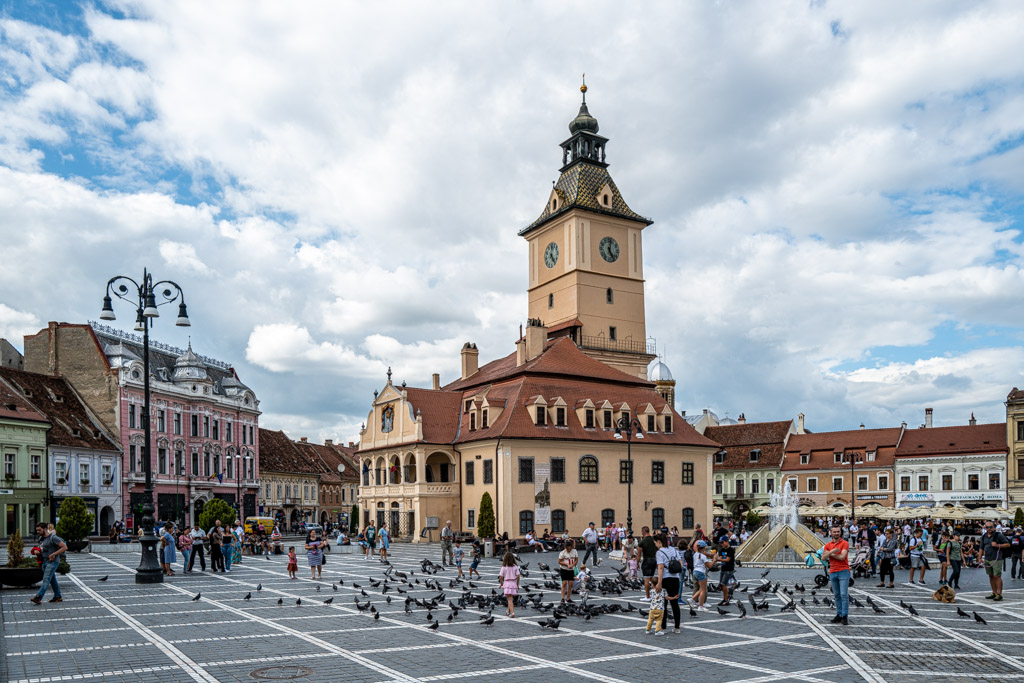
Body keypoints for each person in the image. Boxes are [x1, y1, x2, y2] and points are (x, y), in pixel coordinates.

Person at [29, 522, 66, 605]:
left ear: (45, 529)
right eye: (37, 530)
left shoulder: (53, 538)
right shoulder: (41, 539)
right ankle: (57, 596)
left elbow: (64, 547)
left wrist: (53, 554)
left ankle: (38, 597)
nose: (38, 532)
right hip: (44, 561)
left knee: (46, 579)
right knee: (52, 580)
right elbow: (42, 549)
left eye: (39, 530)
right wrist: (37, 551)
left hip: (53, 562)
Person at [821, 524, 851, 625]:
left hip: (843, 571)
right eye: (834, 531)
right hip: (833, 572)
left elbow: (842, 557)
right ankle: (839, 614)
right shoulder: (828, 545)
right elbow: (823, 558)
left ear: (840, 532)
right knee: (836, 595)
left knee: (843, 594)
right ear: (831, 532)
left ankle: (844, 615)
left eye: (838, 531)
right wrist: (833, 551)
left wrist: (829, 553)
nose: (836, 533)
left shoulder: (845, 543)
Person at [654, 534, 681, 633]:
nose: (655, 544)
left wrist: (659, 583)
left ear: (659, 542)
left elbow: (660, 568)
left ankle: (663, 627)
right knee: (675, 604)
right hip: (676, 579)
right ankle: (677, 628)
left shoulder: (659, 552)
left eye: (655, 542)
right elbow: (680, 564)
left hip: (666, 579)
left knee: (663, 604)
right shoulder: (674, 550)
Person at [978, 521, 1010, 601]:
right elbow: (981, 548)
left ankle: (999, 594)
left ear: (994, 527)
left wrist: (997, 545)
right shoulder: (984, 536)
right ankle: (994, 592)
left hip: (997, 558)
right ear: (985, 528)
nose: (989, 529)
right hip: (987, 559)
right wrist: (979, 558)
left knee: (997, 576)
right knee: (991, 575)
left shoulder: (998, 535)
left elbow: (1008, 544)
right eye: (987, 527)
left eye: (991, 527)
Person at [498, 552, 520, 617]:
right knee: (510, 598)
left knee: (509, 599)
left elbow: (501, 577)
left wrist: (501, 584)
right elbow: (518, 576)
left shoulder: (504, 567)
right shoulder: (515, 566)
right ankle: (508, 612)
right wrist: (517, 584)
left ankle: (512, 613)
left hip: (507, 583)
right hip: (513, 583)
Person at [638, 526, 658, 598]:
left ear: (643, 532)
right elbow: (658, 549)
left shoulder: (642, 542)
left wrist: (637, 563)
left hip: (647, 561)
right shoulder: (654, 540)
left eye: (641, 531)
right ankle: (656, 594)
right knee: (652, 579)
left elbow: (639, 554)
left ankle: (647, 596)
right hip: (654, 560)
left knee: (646, 579)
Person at [691, 540, 710, 611]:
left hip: (695, 572)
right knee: (703, 589)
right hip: (701, 572)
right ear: (704, 547)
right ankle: (700, 606)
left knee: (701, 588)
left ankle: (692, 599)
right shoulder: (703, 556)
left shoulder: (695, 554)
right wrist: (714, 560)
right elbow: (709, 566)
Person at [717, 536, 736, 606]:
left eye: (723, 542)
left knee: (723, 584)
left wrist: (717, 559)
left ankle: (726, 599)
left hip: (729, 569)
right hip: (723, 568)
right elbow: (721, 558)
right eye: (721, 543)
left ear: (727, 541)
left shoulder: (730, 550)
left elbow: (727, 560)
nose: (722, 544)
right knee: (721, 585)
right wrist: (716, 557)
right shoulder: (722, 550)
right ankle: (726, 597)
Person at [558, 539, 578, 604]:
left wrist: (573, 565)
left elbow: (576, 560)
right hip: (564, 569)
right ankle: (562, 598)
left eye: (570, 548)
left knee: (571, 584)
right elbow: (559, 561)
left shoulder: (574, 551)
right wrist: (567, 564)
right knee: (564, 583)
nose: (569, 550)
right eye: (568, 549)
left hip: (571, 569)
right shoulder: (562, 553)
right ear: (565, 547)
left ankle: (568, 598)